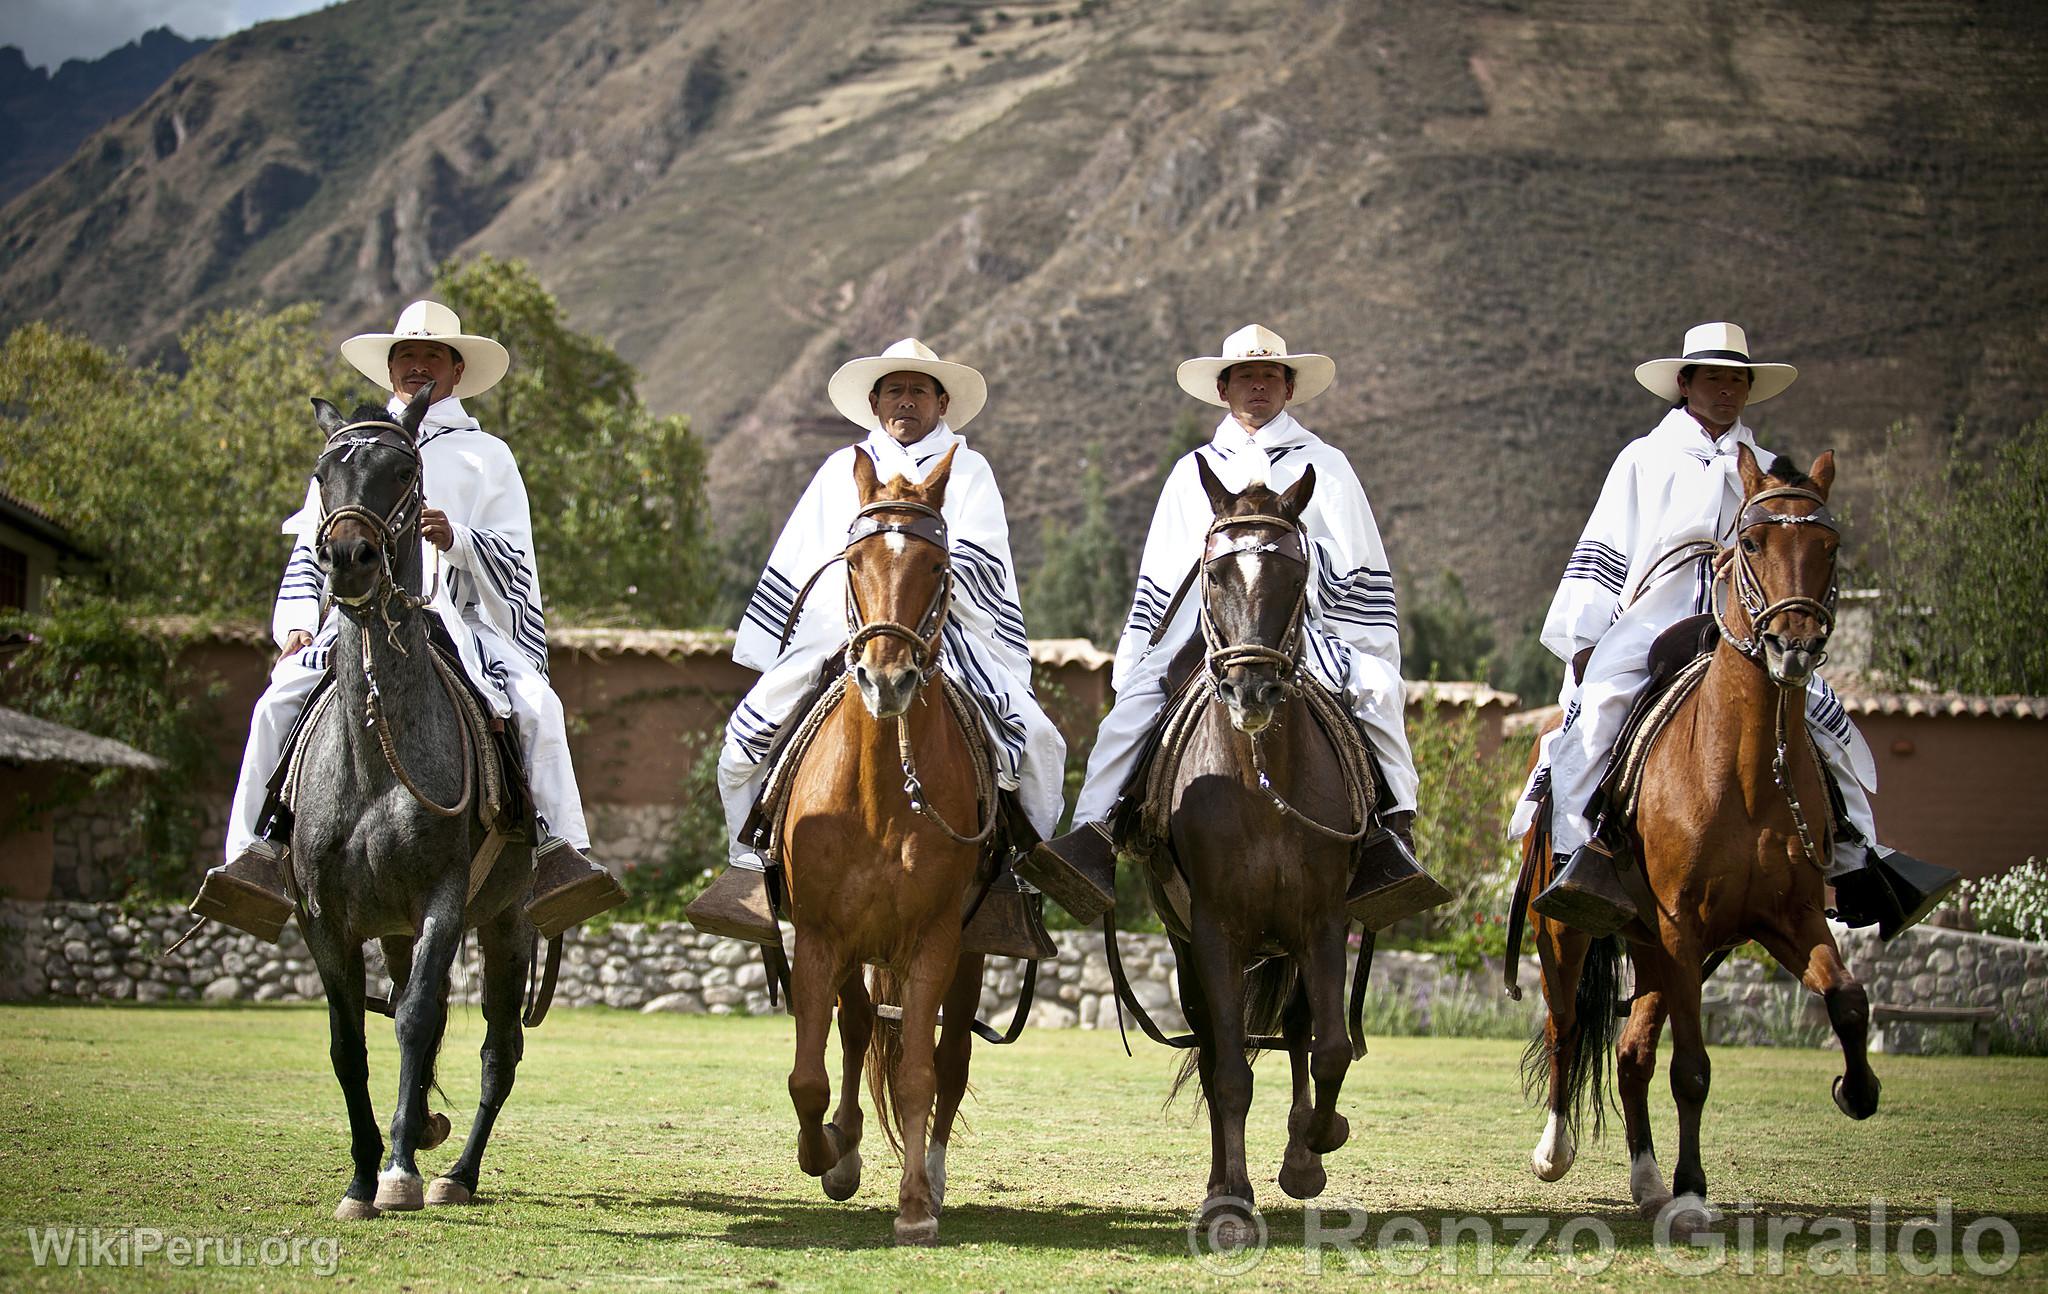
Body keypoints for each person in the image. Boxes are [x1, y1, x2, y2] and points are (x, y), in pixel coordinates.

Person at [189, 300, 624, 942]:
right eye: (405, 356)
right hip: (352, 630)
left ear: (455, 370)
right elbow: (316, 545)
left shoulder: (488, 456)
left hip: (462, 626)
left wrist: (459, 540)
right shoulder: (352, 450)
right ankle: (253, 860)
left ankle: (561, 853)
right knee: (274, 703)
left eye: (431, 357)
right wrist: (296, 631)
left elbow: (517, 560)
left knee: (539, 707)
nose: (417, 365)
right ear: (390, 370)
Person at [1521, 321, 1960, 938]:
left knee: (1826, 718)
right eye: (1715, 377)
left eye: (1738, 380)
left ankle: (1861, 856)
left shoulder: (1773, 471)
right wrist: (1587, 638)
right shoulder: (1643, 459)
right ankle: (1576, 856)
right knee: (1596, 712)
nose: (1727, 390)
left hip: (1744, 619)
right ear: (1686, 382)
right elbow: (1606, 547)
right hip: (1656, 614)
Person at [1024, 324, 1447, 928]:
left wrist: (1281, 565)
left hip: (1301, 629)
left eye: (1270, 376)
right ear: (1223, 388)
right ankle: (1096, 836)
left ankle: (1392, 836)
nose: (1258, 387)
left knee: (1378, 692)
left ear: (1289, 387)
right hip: (1203, 631)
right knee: (1133, 710)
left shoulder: (1327, 466)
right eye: (1245, 377)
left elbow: (1356, 565)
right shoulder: (1191, 471)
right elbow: (1164, 572)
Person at [686, 338, 1066, 957]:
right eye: (895, 390)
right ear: (874, 401)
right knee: (740, 744)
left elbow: (984, 560)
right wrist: (865, 577)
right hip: (841, 628)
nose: (907, 401)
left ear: (943, 402)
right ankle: (748, 867)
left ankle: (1015, 884)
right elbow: (808, 554)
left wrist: (911, 570)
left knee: (1041, 743)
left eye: (920, 390)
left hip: (942, 632)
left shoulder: (970, 471)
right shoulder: (841, 467)